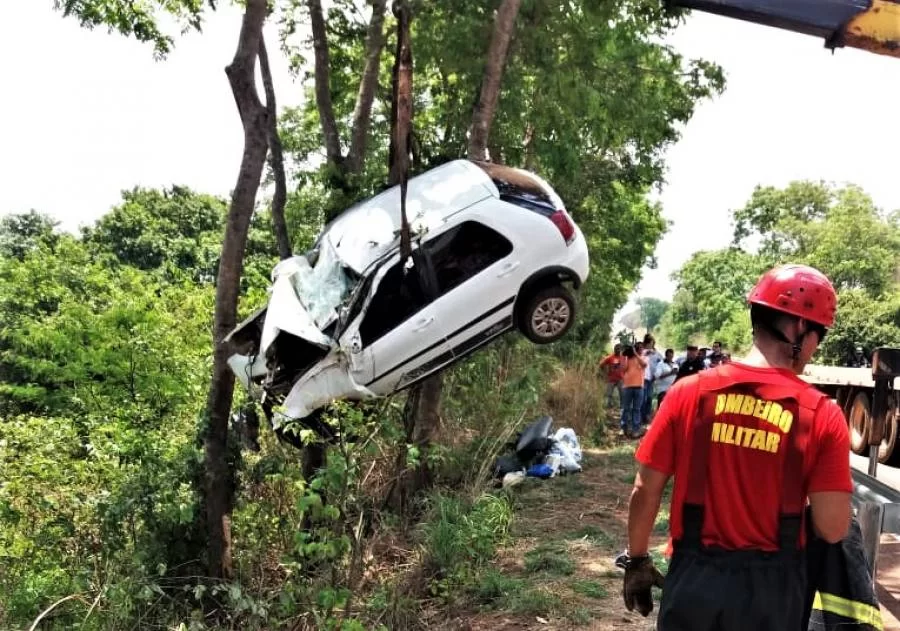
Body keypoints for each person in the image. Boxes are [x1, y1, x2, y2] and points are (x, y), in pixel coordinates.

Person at [620, 264, 852, 630]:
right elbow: (833, 528)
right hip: (772, 596)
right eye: (818, 333)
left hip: (694, 583)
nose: (816, 346)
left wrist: (637, 560)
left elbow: (645, 489)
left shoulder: (688, 393)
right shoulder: (821, 414)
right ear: (799, 328)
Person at [620, 345, 647, 439]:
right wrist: (625, 356)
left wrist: (635, 354)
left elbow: (644, 365)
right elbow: (623, 369)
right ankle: (624, 428)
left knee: (636, 409)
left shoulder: (642, 357)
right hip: (627, 386)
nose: (640, 350)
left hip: (639, 387)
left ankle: (635, 430)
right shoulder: (627, 358)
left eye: (640, 349)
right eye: (637, 348)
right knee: (626, 408)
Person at [641, 334, 664, 423]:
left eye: (652, 342)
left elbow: (662, 361)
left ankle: (647, 415)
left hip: (652, 378)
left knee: (649, 398)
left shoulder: (656, 353)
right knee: (643, 398)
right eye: (650, 342)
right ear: (646, 343)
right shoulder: (642, 352)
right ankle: (642, 416)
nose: (651, 344)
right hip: (643, 378)